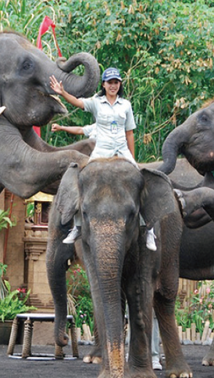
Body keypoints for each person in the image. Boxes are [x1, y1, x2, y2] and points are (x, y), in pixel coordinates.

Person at [50, 68, 157, 251]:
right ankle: (77, 226)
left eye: (116, 82)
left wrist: (133, 158)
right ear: (104, 85)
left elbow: (129, 133)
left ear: (119, 84)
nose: (113, 86)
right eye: (110, 82)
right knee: (83, 179)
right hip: (102, 149)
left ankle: (149, 230)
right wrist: (63, 93)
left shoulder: (126, 105)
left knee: (141, 181)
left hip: (121, 148)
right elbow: (78, 103)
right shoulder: (97, 103)